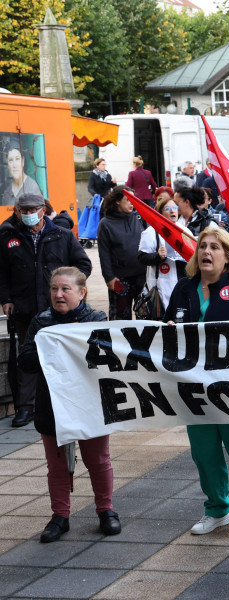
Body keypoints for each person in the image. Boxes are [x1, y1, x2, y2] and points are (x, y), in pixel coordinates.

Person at [164, 226, 229, 541]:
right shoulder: (183, 289)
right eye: (202, 247)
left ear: (227, 256)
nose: (206, 252)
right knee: (204, 452)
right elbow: (167, 331)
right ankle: (217, 510)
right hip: (194, 390)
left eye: (215, 247)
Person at [18, 267, 120, 543]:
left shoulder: (96, 319)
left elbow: (107, 360)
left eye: (65, 289)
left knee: (97, 460)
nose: (58, 294)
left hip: (90, 404)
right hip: (52, 406)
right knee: (58, 465)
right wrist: (53, 349)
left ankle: (106, 511)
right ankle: (60, 516)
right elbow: (25, 361)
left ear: (82, 292)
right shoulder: (41, 322)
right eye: (54, 289)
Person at [0, 194, 92, 427]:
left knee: (62, 355)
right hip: (24, 308)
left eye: (32, 209)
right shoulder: (10, 237)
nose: (28, 214)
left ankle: (65, 402)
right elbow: (2, 272)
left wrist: (72, 289)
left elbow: (83, 265)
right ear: (18, 212)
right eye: (23, 210)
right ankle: (26, 407)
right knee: (28, 355)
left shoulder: (61, 235)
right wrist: (6, 299)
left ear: (43, 210)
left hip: (59, 309)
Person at [97, 186, 146, 320]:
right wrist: (109, 278)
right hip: (120, 279)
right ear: (117, 201)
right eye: (128, 199)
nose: (132, 203)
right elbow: (104, 253)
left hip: (142, 276)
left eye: (133, 199)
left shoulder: (139, 217)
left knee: (145, 316)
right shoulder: (105, 224)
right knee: (120, 319)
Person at [137, 188, 186, 312]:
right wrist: (157, 256)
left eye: (175, 208)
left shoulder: (184, 230)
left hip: (180, 283)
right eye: (168, 209)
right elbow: (142, 257)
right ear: (160, 212)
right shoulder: (151, 232)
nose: (172, 211)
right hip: (160, 286)